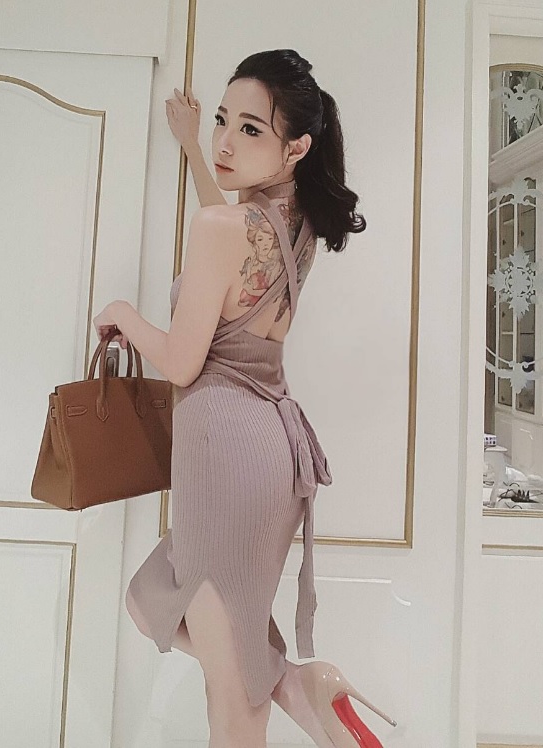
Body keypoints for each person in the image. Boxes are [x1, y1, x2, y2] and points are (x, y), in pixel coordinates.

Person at [93, 49, 396, 748]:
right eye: (223, 121)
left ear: (296, 148)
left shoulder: (226, 230)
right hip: (272, 451)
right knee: (157, 606)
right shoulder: (298, 225)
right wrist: (191, 147)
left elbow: (181, 361)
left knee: (231, 707)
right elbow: (224, 236)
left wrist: (123, 314)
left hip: (222, 453)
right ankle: (299, 684)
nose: (226, 141)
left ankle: (285, 684)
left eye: (250, 129)